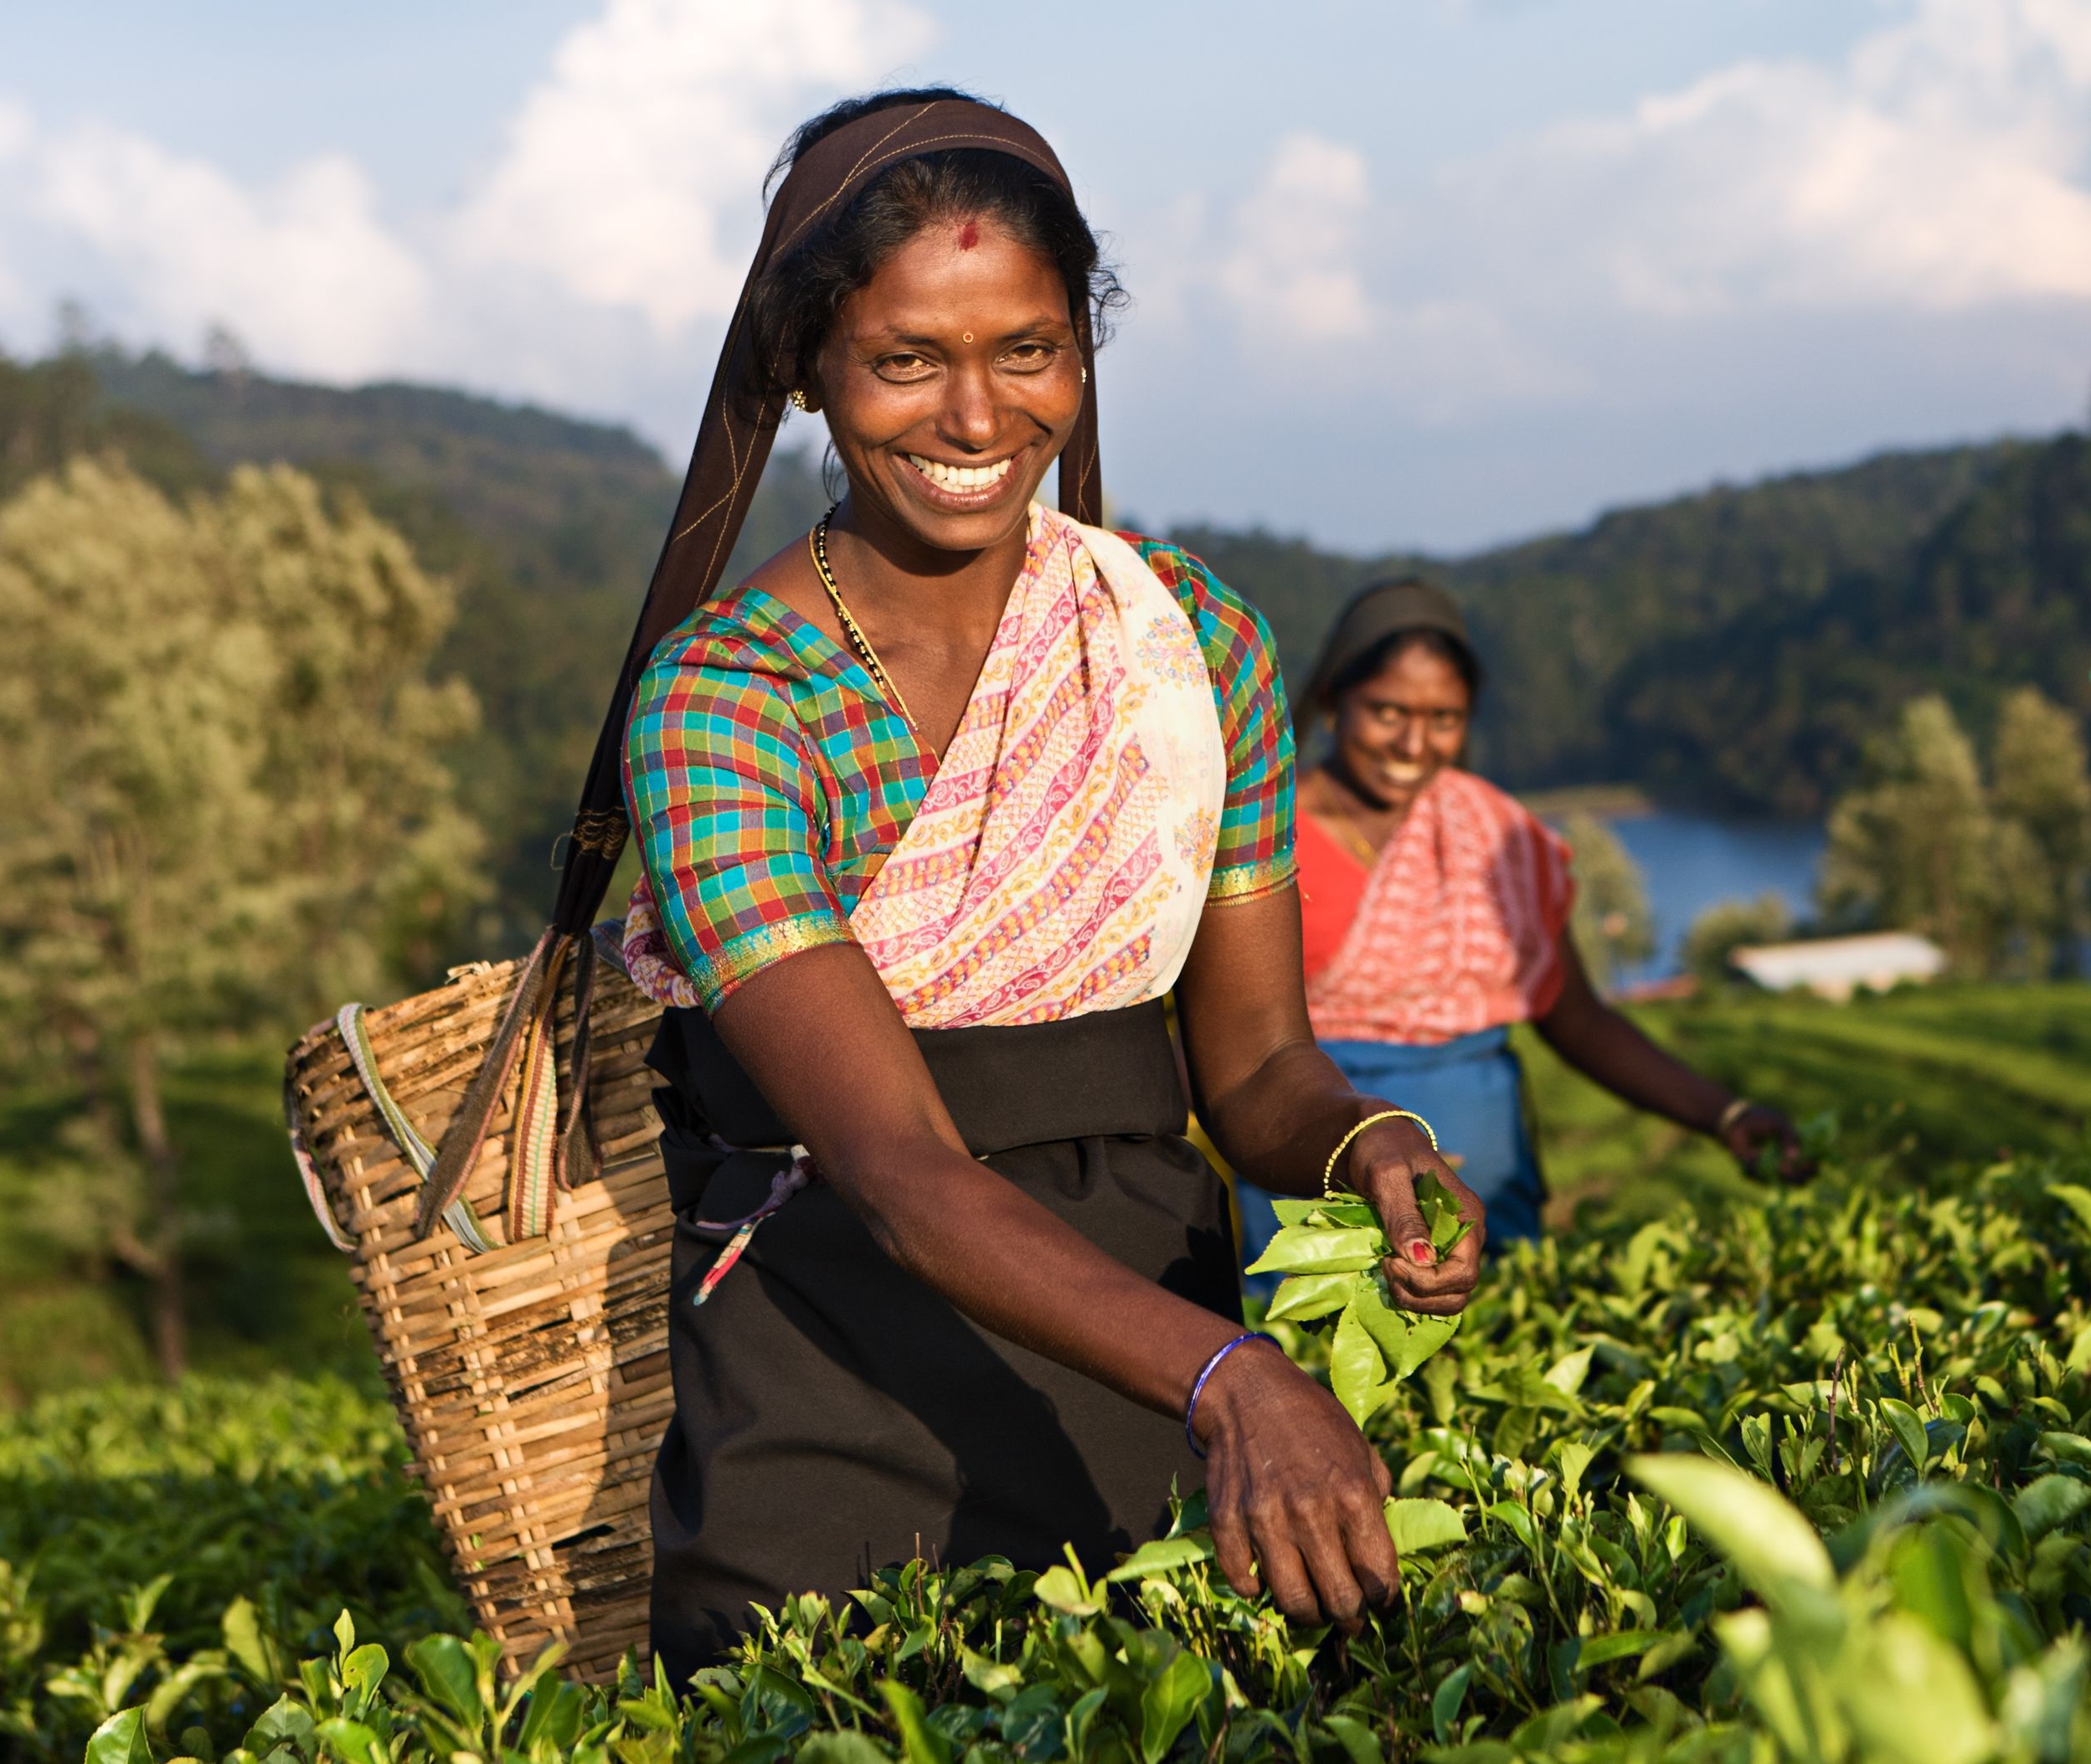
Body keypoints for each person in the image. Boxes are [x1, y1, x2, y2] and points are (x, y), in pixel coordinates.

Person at [607, 90, 1486, 1669]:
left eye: (1027, 350)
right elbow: (894, 1165)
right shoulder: (733, 699)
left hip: (1152, 1391)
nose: (974, 416)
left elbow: (1260, 1067)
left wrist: (1377, 1143)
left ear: (1082, 351)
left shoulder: (1185, 641)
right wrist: (1237, 1380)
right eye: (904, 360)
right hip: (838, 1388)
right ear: (810, 366)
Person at [1237, 579, 1810, 1298]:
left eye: (1444, 718)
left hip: (1484, 1175)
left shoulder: (1499, 838)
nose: (1414, 743)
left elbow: (1578, 1019)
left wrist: (1721, 1114)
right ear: (1331, 701)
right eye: (1387, 711)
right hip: (1316, 1170)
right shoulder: (1260, 833)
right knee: (1315, 1377)